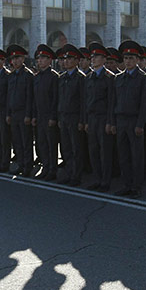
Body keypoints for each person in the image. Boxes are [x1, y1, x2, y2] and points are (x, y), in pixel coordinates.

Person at [113, 40, 146, 198]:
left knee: (136, 155)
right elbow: (113, 102)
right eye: (126, 58)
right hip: (121, 120)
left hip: (134, 121)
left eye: (131, 58)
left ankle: (137, 186)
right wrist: (113, 122)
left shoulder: (143, 78)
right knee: (123, 155)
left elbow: (145, 104)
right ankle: (127, 184)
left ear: (137, 60)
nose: (128, 61)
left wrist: (140, 124)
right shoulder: (119, 78)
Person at [84, 42, 115, 192]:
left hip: (103, 118)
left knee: (105, 152)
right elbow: (85, 101)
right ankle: (97, 178)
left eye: (97, 57)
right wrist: (85, 121)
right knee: (93, 150)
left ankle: (105, 180)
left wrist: (110, 122)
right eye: (92, 57)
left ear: (104, 60)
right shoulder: (89, 77)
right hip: (92, 118)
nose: (93, 59)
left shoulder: (110, 78)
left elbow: (111, 102)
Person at [57, 44, 86, 186]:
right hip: (64, 116)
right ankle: (68, 173)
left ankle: (76, 175)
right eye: (65, 59)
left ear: (77, 61)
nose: (66, 61)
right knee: (66, 148)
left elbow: (82, 101)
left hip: (75, 117)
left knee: (76, 148)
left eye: (70, 59)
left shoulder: (81, 78)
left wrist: (82, 120)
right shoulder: (62, 78)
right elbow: (59, 99)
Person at [32, 44, 59, 181]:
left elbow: (55, 99)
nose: (40, 61)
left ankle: (52, 169)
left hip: (49, 116)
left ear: (50, 60)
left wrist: (53, 117)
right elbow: (34, 99)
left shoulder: (54, 77)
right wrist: (34, 116)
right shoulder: (37, 77)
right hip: (40, 116)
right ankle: (45, 167)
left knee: (51, 144)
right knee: (41, 143)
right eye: (38, 58)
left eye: (43, 58)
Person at [6, 44, 35, 176]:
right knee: (17, 141)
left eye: (18, 58)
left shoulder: (28, 75)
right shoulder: (11, 76)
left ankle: (28, 166)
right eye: (13, 59)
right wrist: (8, 113)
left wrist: (28, 115)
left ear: (23, 59)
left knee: (26, 141)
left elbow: (30, 97)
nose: (15, 61)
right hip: (14, 113)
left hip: (24, 113)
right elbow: (9, 97)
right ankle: (21, 164)